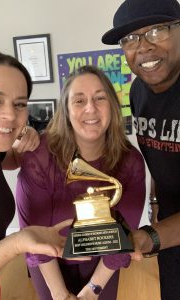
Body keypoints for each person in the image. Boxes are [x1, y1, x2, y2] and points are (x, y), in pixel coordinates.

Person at [16, 65, 146, 300]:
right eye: (79, 100)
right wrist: (59, 293)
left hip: (103, 261)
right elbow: (32, 230)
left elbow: (124, 234)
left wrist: (93, 289)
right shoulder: (39, 156)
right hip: (49, 259)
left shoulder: (131, 161)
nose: (90, 108)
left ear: (113, 107)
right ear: (65, 109)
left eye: (100, 98)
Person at [0, 51, 72, 300]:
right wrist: (17, 243)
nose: (9, 115)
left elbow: (13, 158)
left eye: (19, 104)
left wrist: (24, 135)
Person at [101, 0, 180, 298]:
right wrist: (155, 197)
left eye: (157, 30)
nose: (143, 47)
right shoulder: (138, 91)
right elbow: (158, 152)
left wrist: (147, 238)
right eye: (130, 38)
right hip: (170, 224)